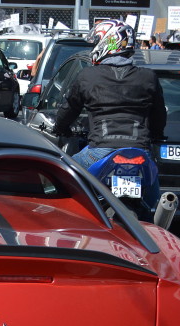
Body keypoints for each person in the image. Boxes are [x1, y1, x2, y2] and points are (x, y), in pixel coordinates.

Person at [54, 19, 166, 211]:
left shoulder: (88, 76)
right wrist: (155, 135)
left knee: (63, 176)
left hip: (99, 151)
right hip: (139, 151)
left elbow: (68, 110)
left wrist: (60, 128)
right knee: (153, 205)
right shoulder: (148, 77)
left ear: (107, 42)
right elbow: (159, 117)